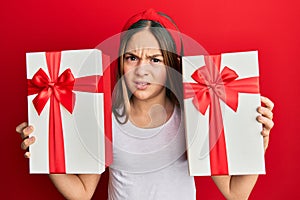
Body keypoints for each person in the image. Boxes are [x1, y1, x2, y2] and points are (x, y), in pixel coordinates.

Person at [16, 8, 275, 200]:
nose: (141, 71)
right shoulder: (104, 116)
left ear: (171, 64)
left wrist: (257, 143)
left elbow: (235, 193)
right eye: (131, 58)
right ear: (120, 63)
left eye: (155, 60)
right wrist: (44, 152)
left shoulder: (196, 113)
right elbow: (82, 193)